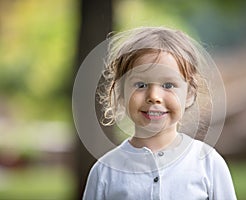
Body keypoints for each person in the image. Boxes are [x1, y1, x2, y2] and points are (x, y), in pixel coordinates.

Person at [83, 26, 236, 200]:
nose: (154, 97)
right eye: (140, 85)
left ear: (190, 94)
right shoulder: (105, 171)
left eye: (168, 85)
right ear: (121, 94)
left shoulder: (208, 164)